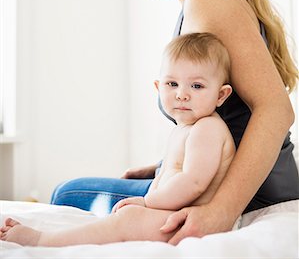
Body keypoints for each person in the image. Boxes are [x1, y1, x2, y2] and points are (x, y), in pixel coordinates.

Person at [50, 0, 298, 244]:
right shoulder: (207, 0)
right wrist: (167, 164)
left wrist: (221, 211)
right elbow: (228, 121)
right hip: (222, 179)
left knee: (67, 194)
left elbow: (275, 110)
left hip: (249, 195)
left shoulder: (209, 0)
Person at [1, 33, 238, 246]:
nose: (181, 94)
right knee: (121, 219)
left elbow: (193, 182)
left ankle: (44, 240)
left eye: (196, 86)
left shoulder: (207, 129)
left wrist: (147, 203)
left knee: (127, 220)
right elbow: (169, 174)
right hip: (172, 213)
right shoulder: (185, 128)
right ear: (158, 87)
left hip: (186, 221)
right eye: (172, 84)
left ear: (221, 95)